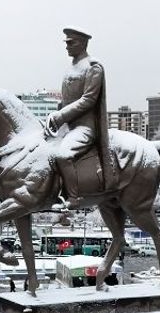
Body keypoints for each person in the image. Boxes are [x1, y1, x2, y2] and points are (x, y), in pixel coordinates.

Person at [44, 27, 117, 207]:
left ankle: (73, 198)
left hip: (85, 127)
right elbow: (67, 100)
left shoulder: (93, 67)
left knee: (62, 155)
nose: (67, 46)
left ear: (83, 43)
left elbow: (88, 100)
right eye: (66, 43)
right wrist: (54, 116)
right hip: (67, 127)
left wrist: (60, 116)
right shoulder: (72, 67)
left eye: (71, 43)